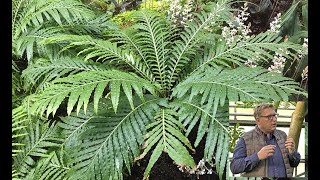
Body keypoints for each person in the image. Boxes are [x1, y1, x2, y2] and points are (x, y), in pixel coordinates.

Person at [230, 103, 301, 178]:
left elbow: (295, 163)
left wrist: (292, 153)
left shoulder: (283, 136)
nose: (274, 119)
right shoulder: (245, 139)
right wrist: (257, 157)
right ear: (258, 120)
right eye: (269, 117)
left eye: (274, 115)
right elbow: (234, 167)